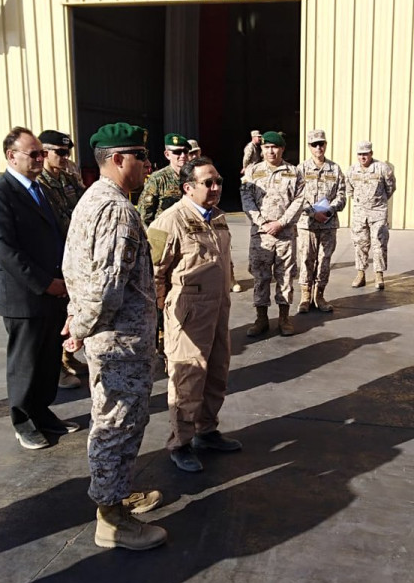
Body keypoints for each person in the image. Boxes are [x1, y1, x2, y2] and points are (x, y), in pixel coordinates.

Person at [61, 122, 167, 551]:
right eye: (140, 157)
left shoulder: (94, 199)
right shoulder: (118, 210)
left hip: (113, 338)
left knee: (116, 420)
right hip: (120, 341)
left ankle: (118, 493)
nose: (147, 165)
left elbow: (73, 268)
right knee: (117, 424)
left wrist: (76, 318)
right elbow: (106, 286)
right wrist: (80, 329)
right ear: (118, 159)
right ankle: (112, 519)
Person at [0, 127, 79, 451]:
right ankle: (24, 422)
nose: (40, 159)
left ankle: (44, 414)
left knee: (49, 361)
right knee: (25, 363)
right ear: (12, 156)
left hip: (53, 292)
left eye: (41, 153)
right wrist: (44, 283)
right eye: (33, 154)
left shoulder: (40, 189)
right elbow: (6, 250)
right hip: (25, 297)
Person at [148, 157, 242, 473]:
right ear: (188, 187)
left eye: (218, 182)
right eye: (208, 183)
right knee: (188, 378)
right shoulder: (168, 221)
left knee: (216, 371)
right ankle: (181, 443)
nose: (215, 188)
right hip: (187, 312)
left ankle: (207, 431)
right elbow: (153, 273)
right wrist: (160, 321)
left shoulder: (217, 216)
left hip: (218, 308)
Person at [241, 131, 306, 337]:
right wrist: (262, 223)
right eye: (267, 147)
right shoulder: (252, 172)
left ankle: (284, 318)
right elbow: (246, 199)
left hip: (285, 234)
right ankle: (261, 318)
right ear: (262, 149)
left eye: (275, 147)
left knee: (285, 276)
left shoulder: (294, 172)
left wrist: (281, 222)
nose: (271, 151)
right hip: (261, 235)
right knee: (260, 276)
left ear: (282, 149)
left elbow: (299, 200)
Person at [37, 129, 88, 389]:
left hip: (75, 252)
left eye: (67, 152)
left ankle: (69, 355)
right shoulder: (39, 183)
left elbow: (84, 204)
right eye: (60, 152)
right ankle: (57, 364)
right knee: (57, 312)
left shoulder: (69, 178)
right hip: (55, 255)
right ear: (44, 152)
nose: (65, 157)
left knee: (73, 304)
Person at [296, 129, 346, 313]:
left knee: (324, 260)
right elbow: (297, 196)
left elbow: (341, 194)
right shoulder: (300, 169)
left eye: (321, 143)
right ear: (309, 146)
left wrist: (330, 209)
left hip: (328, 223)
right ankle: (305, 296)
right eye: (314, 144)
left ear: (326, 145)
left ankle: (320, 296)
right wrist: (312, 212)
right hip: (307, 224)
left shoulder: (335, 169)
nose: (319, 147)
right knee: (307, 259)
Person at [346, 140, 397, 290]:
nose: (363, 157)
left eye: (366, 154)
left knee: (379, 243)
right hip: (359, 213)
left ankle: (379, 275)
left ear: (371, 154)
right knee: (360, 244)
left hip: (378, 212)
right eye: (360, 154)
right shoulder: (352, 170)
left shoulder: (382, 168)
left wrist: (378, 203)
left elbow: (390, 188)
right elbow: (349, 190)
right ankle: (360, 273)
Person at [137, 132, 189, 228]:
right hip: (164, 234)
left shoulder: (194, 177)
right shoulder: (157, 179)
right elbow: (144, 214)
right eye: (177, 152)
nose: (183, 155)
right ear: (167, 154)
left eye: (185, 151)